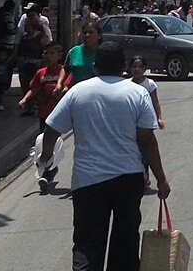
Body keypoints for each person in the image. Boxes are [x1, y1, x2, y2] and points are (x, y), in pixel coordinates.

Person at [38, 42, 170, 271]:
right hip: (128, 179)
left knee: (87, 245)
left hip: (88, 182)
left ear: (95, 66)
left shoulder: (78, 92)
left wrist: (45, 159)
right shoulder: (137, 93)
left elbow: (51, 131)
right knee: (125, 244)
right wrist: (161, 179)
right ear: (123, 68)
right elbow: (147, 141)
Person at [19, 42, 67, 193]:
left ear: (59, 55)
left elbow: (66, 86)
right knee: (43, 143)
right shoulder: (41, 73)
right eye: (46, 53)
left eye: (52, 53)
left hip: (59, 115)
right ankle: (49, 170)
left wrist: (63, 91)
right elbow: (33, 89)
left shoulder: (63, 71)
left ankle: (48, 172)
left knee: (54, 144)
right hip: (44, 114)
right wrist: (25, 99)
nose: (49, 56)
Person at [128, 56, 166, 190]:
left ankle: (144, 173)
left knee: (145, 148)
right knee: (135, 149)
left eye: (139, 67)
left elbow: (155, 102)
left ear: (145, 69)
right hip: (131, 122)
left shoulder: (149, 84)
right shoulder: (127, 84)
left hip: (146, 121)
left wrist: (159, 117)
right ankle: (138, 174)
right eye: (134, 66)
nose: (136, 69)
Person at [16, 8, 47, 114]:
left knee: (36, 88)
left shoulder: (41, 36)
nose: (25, 27)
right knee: (25, 87)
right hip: (24, 66)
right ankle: (29, 108)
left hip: (36, 66)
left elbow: (46, 50)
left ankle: (39, 106)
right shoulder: (24, 37)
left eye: (27, 25)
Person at [59, 20, 102, 92]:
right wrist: (60, 83)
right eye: (85, 32)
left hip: (96, 92)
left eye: (91, 32)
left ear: (99, 35)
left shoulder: (103, 53)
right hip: (76, 91)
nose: (87, 35)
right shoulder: (74, 51)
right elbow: (66, 69)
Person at [0, 0, 17, 111]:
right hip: (6, 48)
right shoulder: (9, 17)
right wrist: (17, 30)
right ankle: (1, 93)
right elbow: (10, 30)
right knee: (5, 71)